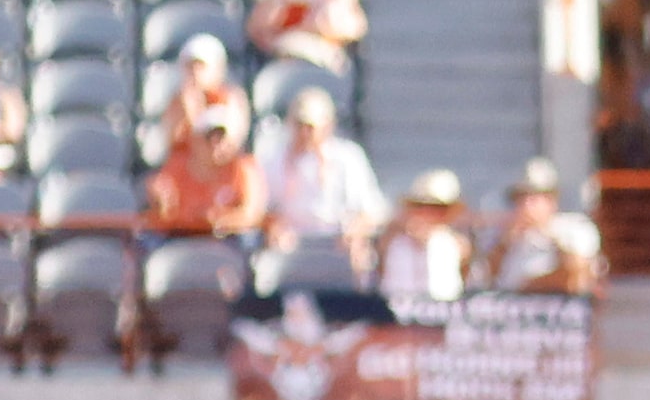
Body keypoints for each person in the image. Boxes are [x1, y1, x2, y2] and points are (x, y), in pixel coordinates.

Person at [258, 87, 387, 269]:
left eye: (310, 127)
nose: (304, 133)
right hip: (290, 244)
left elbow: (373, 211)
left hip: (338, 242)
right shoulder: (272, 159)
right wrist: (274, 225)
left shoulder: (349, 157)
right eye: (299, 125)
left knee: (362, 257)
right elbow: (261, 210)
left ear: (327, 126)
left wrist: (355, 230)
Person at [484, 158, 603, 295]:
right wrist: (506, 242)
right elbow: (487, 276)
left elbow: (577, 273)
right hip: (509, 308)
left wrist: (548, 235)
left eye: (533, 198)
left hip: (555, 307)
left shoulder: (574, 228)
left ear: (551, 200)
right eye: (520, 199)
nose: (525, 206)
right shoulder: (506, 233)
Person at [147, 110, 265, 240]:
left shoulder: (243, 168)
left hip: (228, 238)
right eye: (209, 138)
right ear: (195, 140)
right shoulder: (177, 165)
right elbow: (166, 213)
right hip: (183, 236)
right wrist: (160, 202)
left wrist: (220, 219)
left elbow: (252, 213)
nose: (216, 146)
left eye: (221, 138)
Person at [377, 171, 470, 301]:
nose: (427, 212)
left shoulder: (457, 243)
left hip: (441, 314)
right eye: (420, 206)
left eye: (437, 208)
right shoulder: (393, 241)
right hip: (395, 313)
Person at [161, 37, 245, 165]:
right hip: (185, 169)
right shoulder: (177, 102)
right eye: (191, 67)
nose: (195, 73)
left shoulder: (230, 99)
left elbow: (230, 146)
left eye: (201, 67)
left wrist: (195, 114)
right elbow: (170, 142)